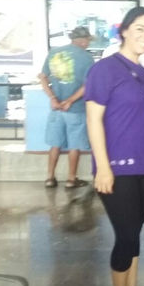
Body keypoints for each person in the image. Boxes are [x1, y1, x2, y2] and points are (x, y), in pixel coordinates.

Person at [85, 7, 144, 286]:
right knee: (126, 234)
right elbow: (94, 120)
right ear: (125, 30)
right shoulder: (104, 70)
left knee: (134, 231)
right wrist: (103, 168)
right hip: (118, 169)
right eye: (140, 28)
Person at [39, 26, 94, 189]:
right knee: (74, 145)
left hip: (56, 109)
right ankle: (71, 179)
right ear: (83, 41)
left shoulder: (54, 52)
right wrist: (70, 101)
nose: (88, 44)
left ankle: (50, 178)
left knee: (55, 144)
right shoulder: (87, 58)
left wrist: (53, 99)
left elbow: (42, 77)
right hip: (75, 109)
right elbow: (87, 85)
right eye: (88, 41)